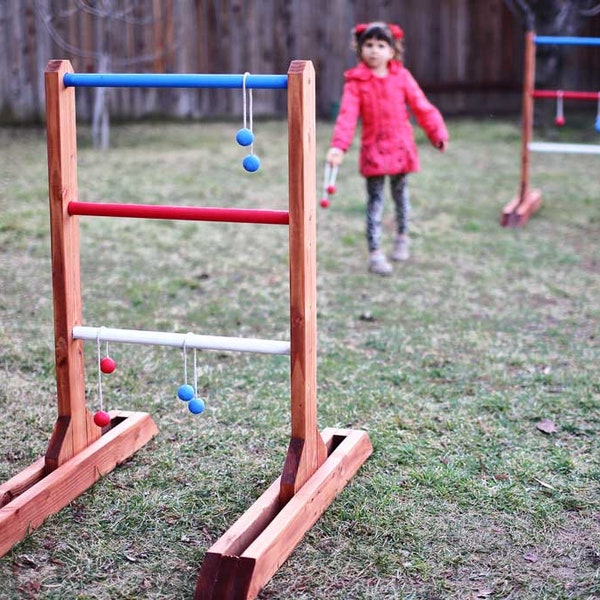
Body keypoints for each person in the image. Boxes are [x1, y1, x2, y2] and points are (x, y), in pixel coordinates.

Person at [326, 21, 449, 275]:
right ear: (360, 50)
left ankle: (402, 236)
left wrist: (436, 132)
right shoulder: (356, 82)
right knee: (375, 201)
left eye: (381, 45)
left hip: (400, 146)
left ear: (392, 51)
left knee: (401, 195)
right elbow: (347, 117)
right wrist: (339, 146)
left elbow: (421, 106)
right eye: (368, 45)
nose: (374, 50)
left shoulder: (402, 77)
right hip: (374, 150)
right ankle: (375, 253)